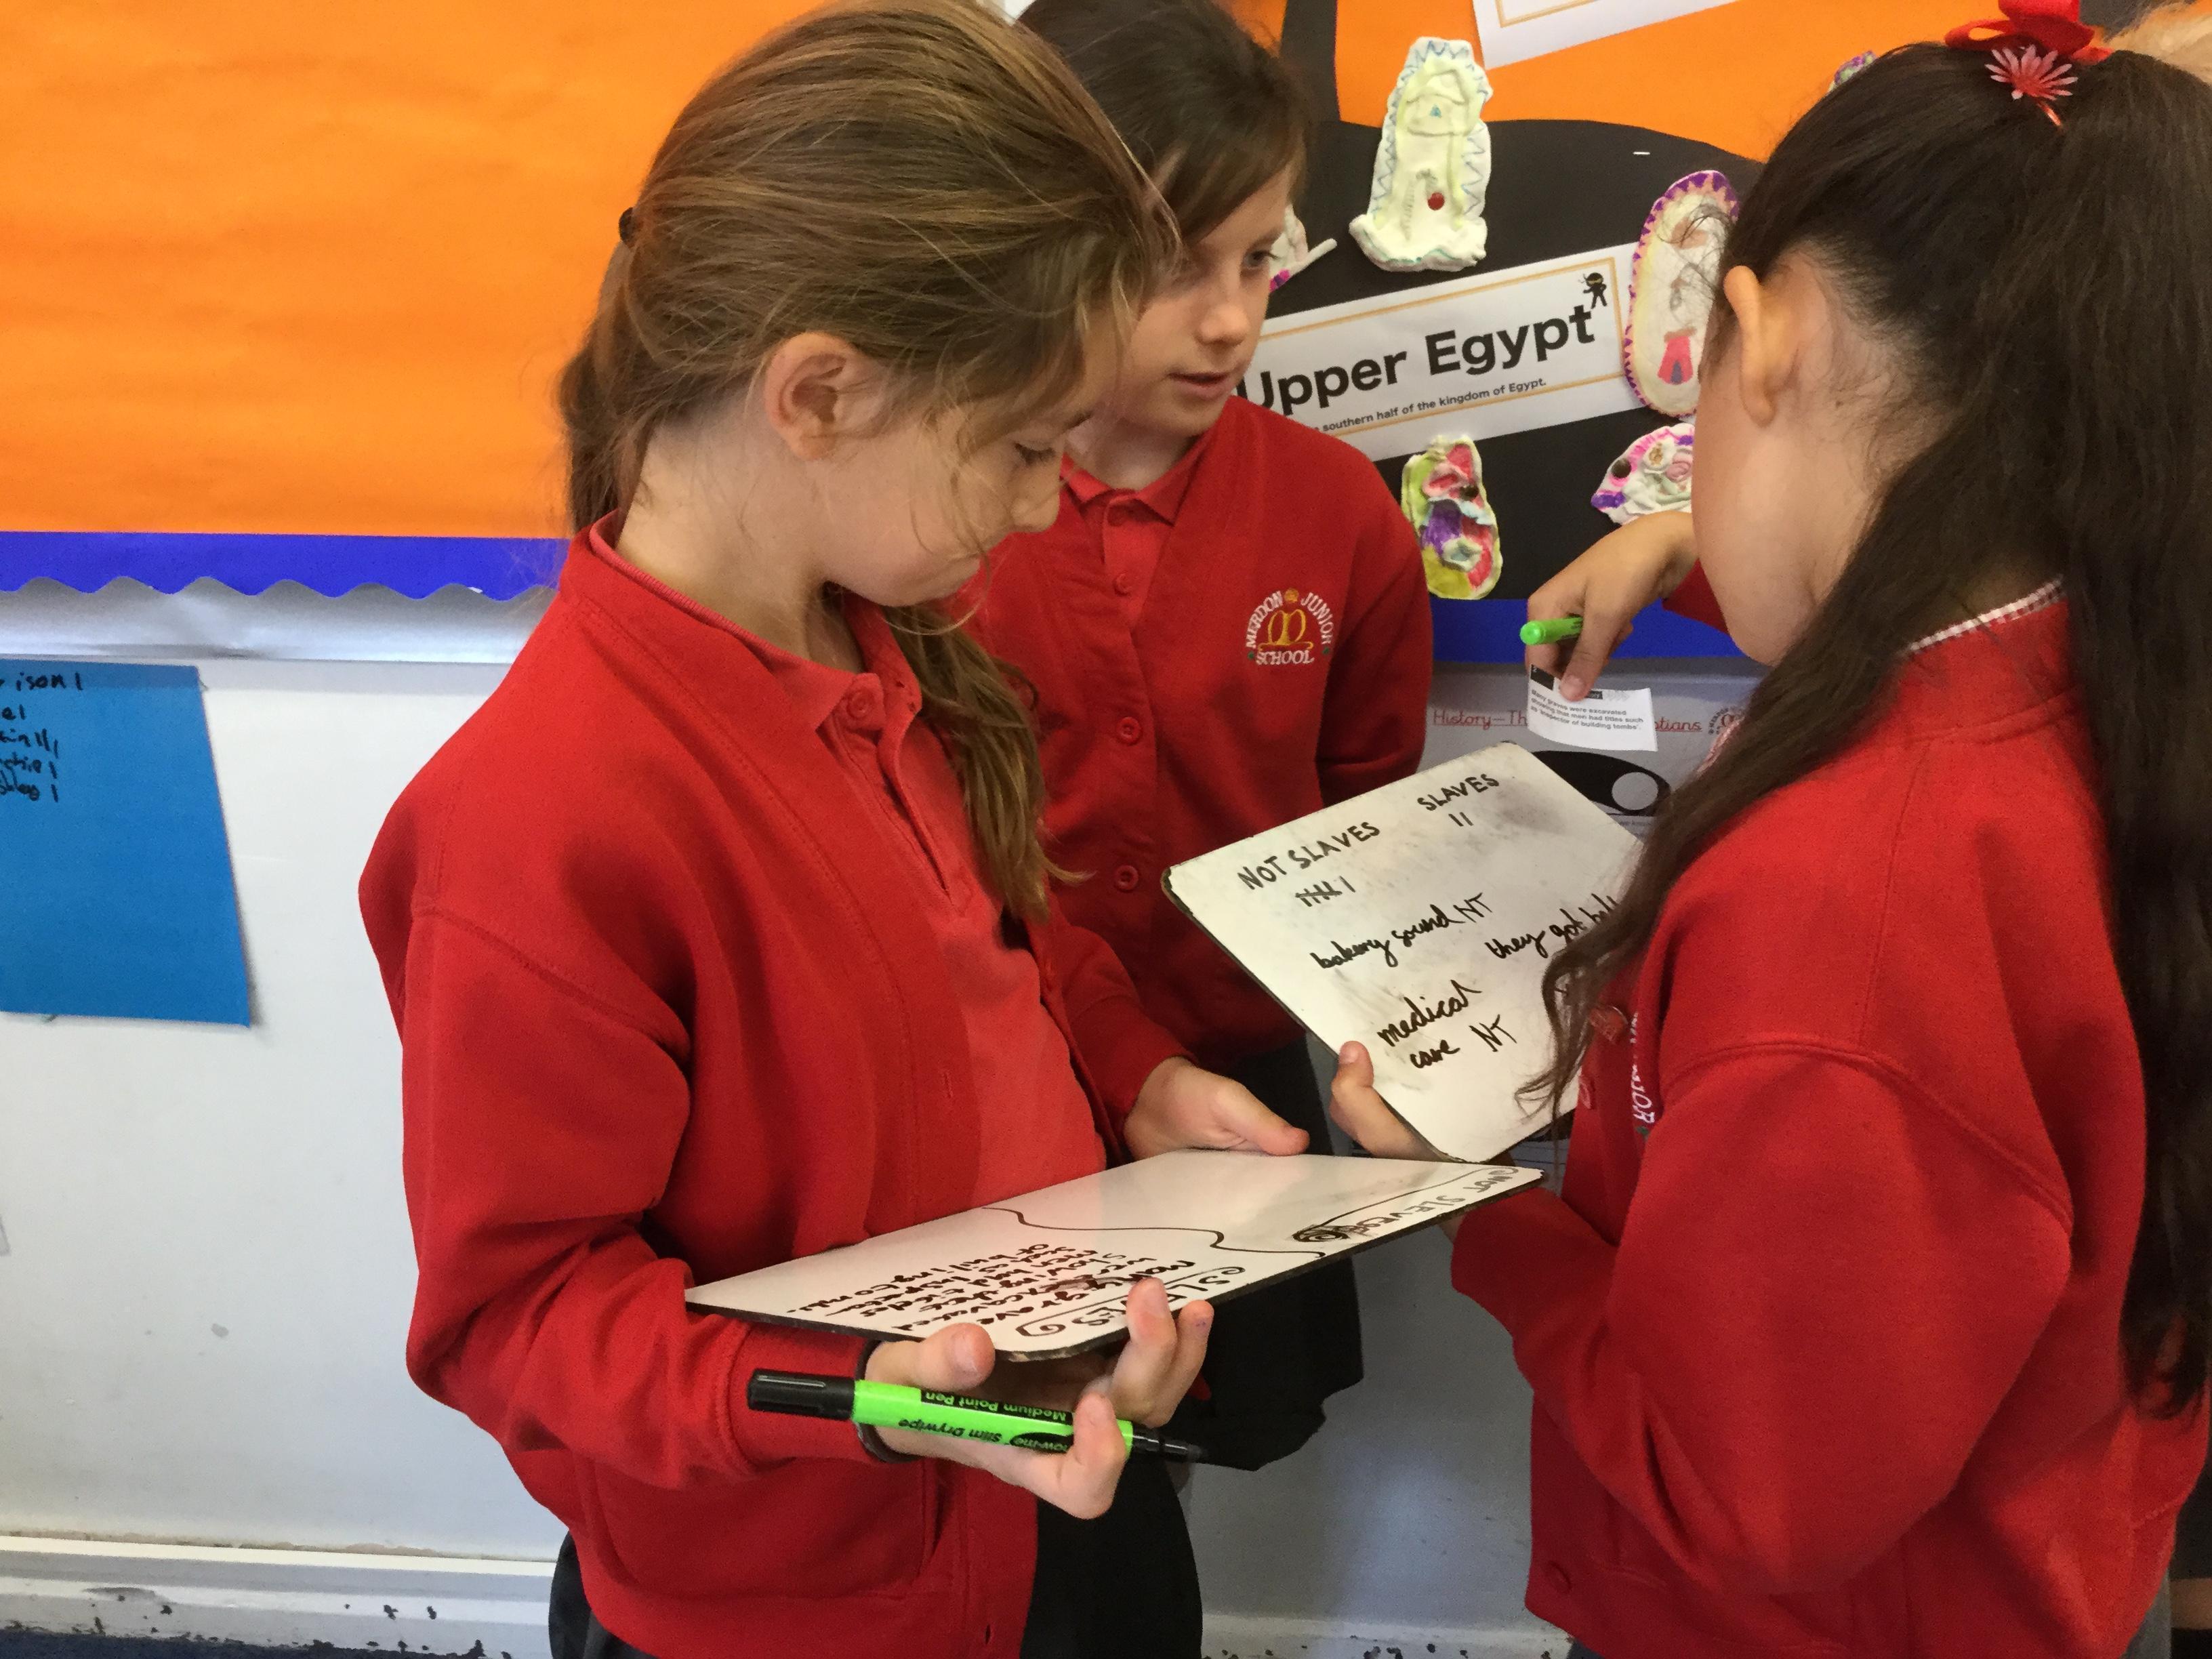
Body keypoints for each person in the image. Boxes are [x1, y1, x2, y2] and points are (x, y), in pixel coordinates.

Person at [357, 6, 1310, 1656]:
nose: (1045, 502)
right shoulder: (543, 820)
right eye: (1022, 448)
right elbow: (516, 1318)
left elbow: (996, 951)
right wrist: (879, 1399)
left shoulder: (893, 639)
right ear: (820, 394)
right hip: (805, 1586)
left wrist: (1130, 1070)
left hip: (1048, 1470)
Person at [1330, 9, 2212, 1656]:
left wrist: (1478, 1211)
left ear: (1762, 331)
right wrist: (1700, 540)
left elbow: (1747, 1496)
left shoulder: (1846, 900)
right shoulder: (2120, 676)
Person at [972, 0, 1433, 1473]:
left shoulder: (1337, 514)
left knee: (1208, 1421)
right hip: (1004, 1078)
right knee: (1025, 1434)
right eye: (1174, 265)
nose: (1231, 319)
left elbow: (1367, 803)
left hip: (1246, 1084)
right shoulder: (936, 522)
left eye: (1258, 260)